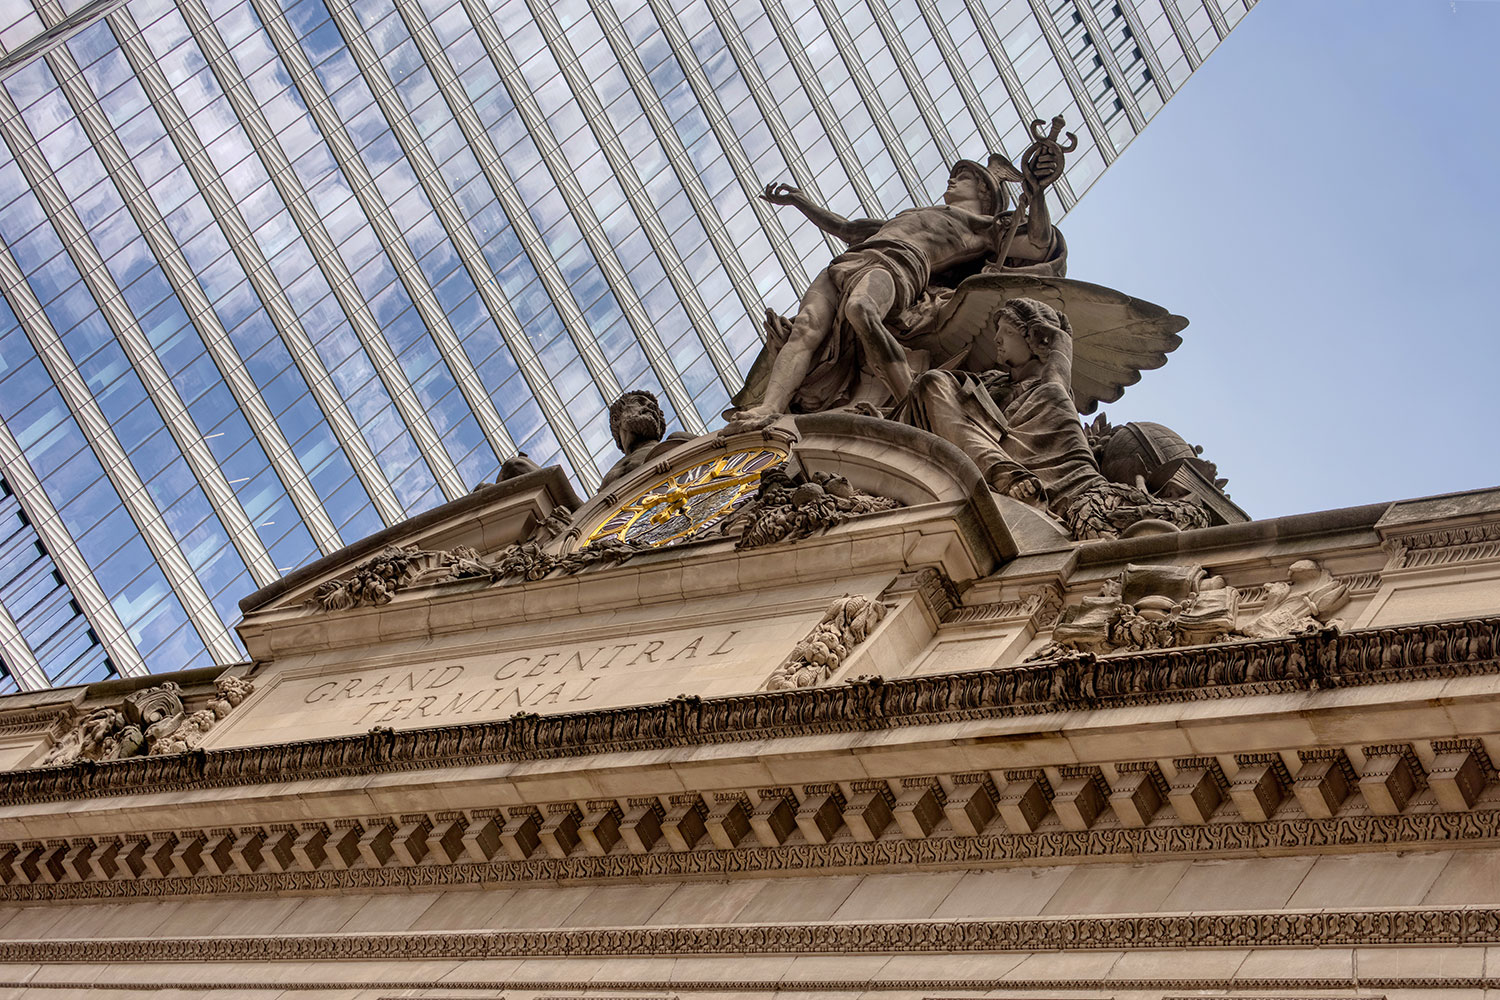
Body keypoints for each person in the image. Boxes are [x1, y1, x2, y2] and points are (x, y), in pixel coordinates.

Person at [731, 152, 1061, 420]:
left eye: (963, 178)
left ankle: (911, 399)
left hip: (898, 266)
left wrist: (1037, 192)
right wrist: (801, 201)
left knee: (861, 310)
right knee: (805, 327)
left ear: (984, 194)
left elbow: (1037, 243)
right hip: (848, 261)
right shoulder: (911, 214)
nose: (952, 180)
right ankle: (770, 408)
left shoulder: (983, 226)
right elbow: (848, 228)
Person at [903, 297, 1105, 508]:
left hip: (1021, 465)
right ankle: (1003, 472)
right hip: (980, 449)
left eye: (1008, 331)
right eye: (998, 330)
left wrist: (1061, 343)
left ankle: (1005, 474)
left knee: (1053, 394)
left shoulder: (1046, 391)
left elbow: (1056, 386)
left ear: (1037, 342)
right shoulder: (990, 380)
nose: (997, 338)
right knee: (933, 381)